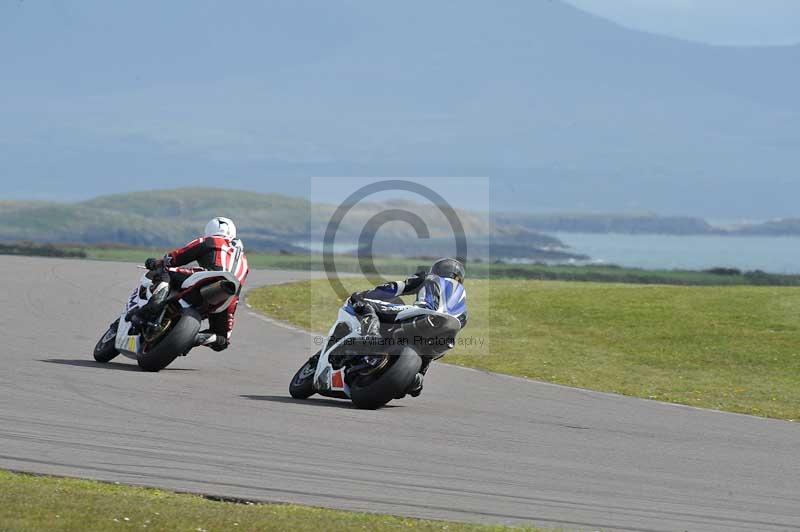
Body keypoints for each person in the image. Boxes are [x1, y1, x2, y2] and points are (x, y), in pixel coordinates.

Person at [350, 258, 467, 397]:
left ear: (437, 269)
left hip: (423, 315)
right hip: (445, 337)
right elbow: (462, 321)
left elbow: (395, 287)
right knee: (427, 354)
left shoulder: (429, 277)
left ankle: (371, 336)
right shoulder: (462, 297)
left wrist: (366, 295)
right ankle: (417, 378)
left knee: (366, 304)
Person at [130, 217, 249, 352]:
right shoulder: (244, 260)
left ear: (209, 230)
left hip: (208, 277)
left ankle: (155, 303)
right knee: (222, 340)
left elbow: (175, 258)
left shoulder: (209, 241)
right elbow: (237, 288)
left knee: (165, 271)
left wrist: (156, 262)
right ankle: (193, 338)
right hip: (229, 296)